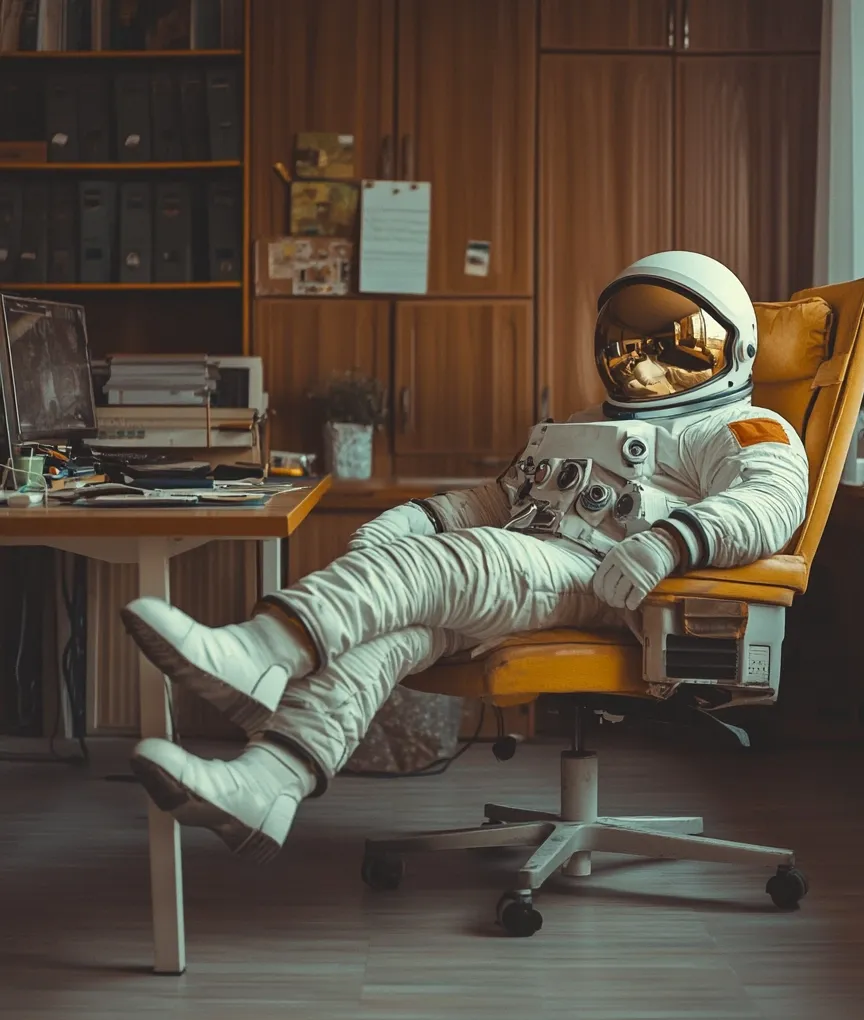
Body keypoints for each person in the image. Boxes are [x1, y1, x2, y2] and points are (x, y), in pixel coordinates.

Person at [123, 251, 810, 863]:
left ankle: (264, 649)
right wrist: (420, 516)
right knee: (387, 638)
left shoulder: (739, 426)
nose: (641, 363)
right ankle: (266, 784)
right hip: (529, 567)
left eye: (669, 346)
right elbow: (500, 498)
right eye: (625, 343)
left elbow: (773, 502)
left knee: (459, 562)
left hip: (609, 581)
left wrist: (670, 539)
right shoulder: (578, 426)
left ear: (736, 349)